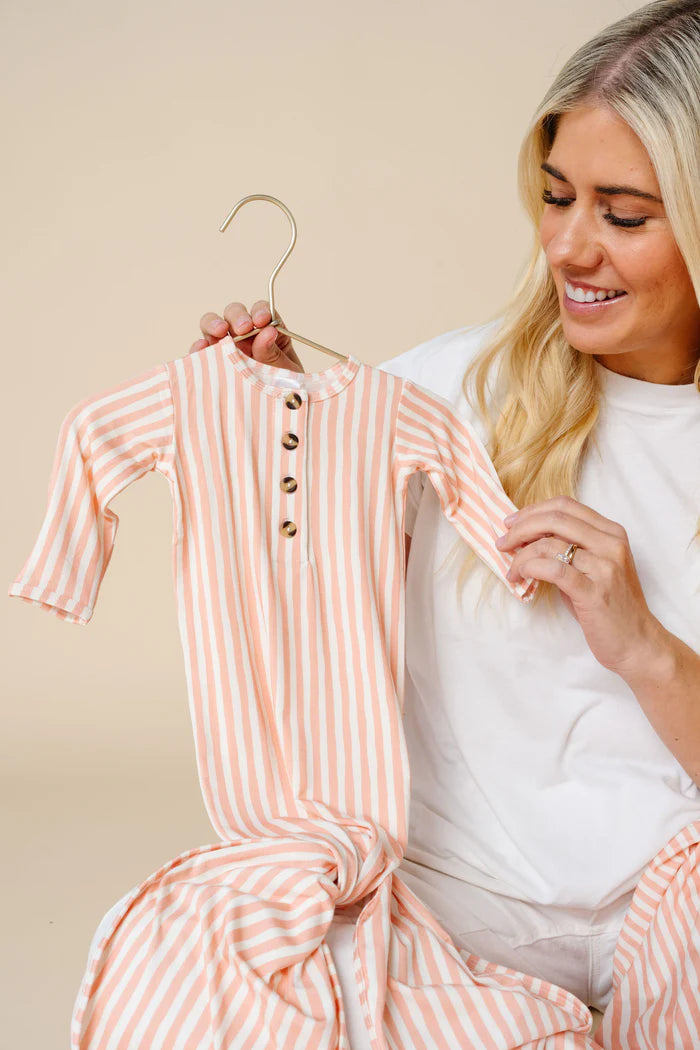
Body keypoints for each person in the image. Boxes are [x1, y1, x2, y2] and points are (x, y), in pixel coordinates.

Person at [189, 1, 700, 1046]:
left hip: (672, 896)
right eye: (556, 198)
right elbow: (309, 609)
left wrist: (645, 650)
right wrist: (279, 429)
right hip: (460, 902)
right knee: (230, 972)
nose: (568, 246)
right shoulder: (448, 391)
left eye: (624, 214)